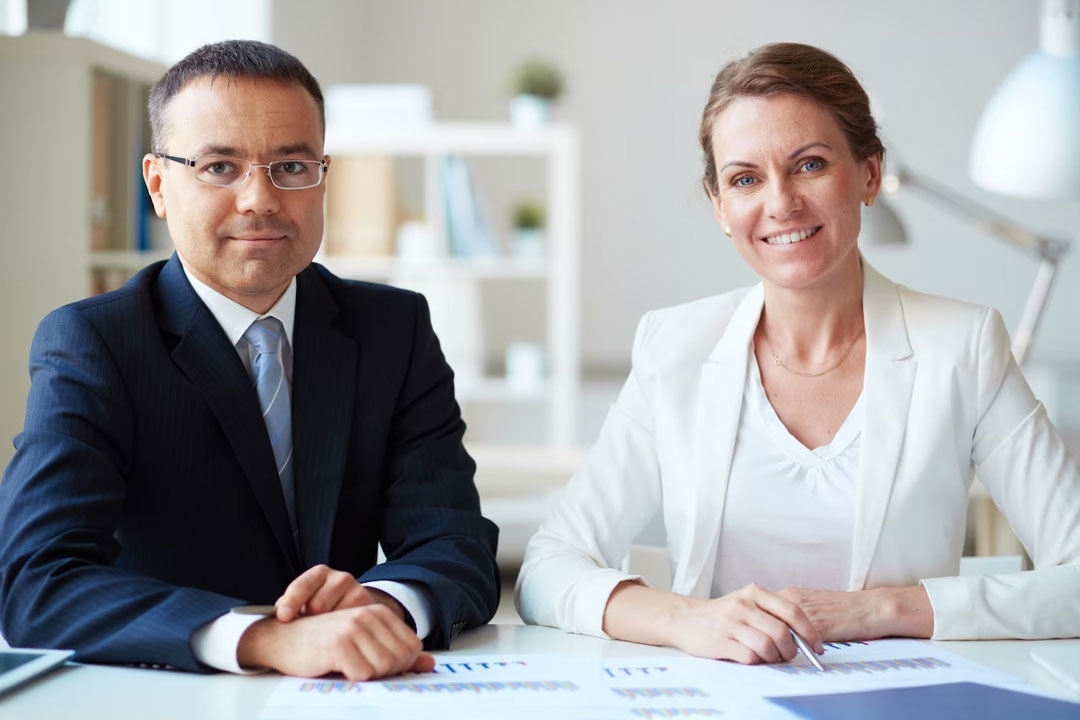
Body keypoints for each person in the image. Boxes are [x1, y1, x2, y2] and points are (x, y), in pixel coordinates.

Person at [516, 42, 1080, 665]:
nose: (780, 203)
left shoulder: (964, 346)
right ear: (721, 208)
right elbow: (546, 570)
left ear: (869, 173)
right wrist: (687, 619)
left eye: (809, 165)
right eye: (746, 179)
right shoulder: (673, 348)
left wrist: (883, 609)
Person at [0, 40, 499, 679]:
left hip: (349, 691)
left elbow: (455, 543)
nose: (260, 199)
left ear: (323, 178)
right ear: (158, 184)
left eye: (291, 167)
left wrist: (376, 608)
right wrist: (263, 638)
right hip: (163, 691)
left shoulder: (391, 330)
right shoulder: (95, 342)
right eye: (219, 167)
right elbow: (38, 582)